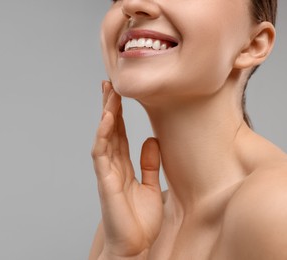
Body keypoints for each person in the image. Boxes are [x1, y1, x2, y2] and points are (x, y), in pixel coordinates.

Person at [89, 0, 287, 259]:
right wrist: (123, 254)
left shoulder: (277, 207)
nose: (133, 4)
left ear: (253, 44)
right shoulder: (121, 227)